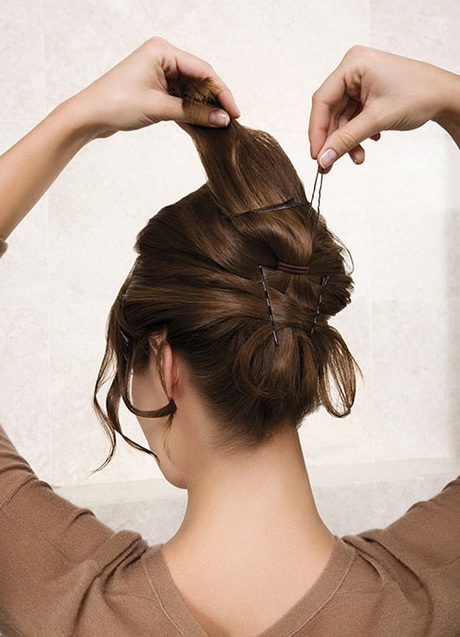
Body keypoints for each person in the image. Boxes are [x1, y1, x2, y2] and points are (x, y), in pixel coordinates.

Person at [0, 36, 458, 637]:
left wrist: (79, 117)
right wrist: (450, 99)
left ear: (164, 362)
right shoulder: (428, 595)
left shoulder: (64, 597)